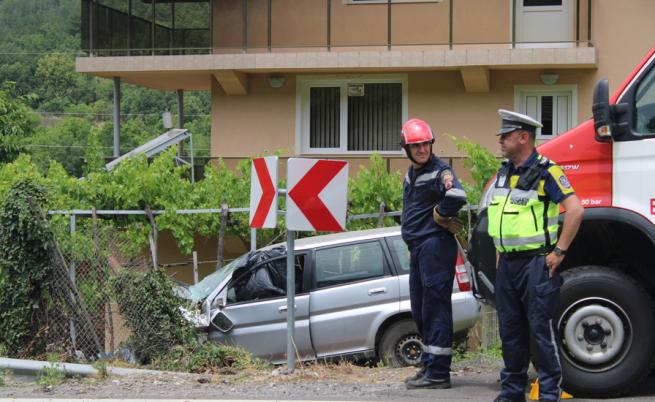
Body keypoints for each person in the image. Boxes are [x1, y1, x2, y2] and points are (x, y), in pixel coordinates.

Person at [487, 110, 584, 402]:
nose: (501, 140)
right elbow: (500, 220)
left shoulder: (546, 171)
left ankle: (549, 393)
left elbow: (576, 209)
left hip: (535, 264)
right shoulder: (504, 173)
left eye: (506, 135)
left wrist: (559, 251)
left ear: (523, 137)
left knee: (541, 332)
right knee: (510, 332)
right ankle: (512, 392)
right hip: (507, 265)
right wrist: (499, 255)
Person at [400, 118, 468, 389]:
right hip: (419, 249)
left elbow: (457, 196)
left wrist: (440, 215)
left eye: (426, 144)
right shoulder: (410, 174)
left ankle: (439, 373)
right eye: (416, 146)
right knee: (421, 309)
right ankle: (429, 365)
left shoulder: (441, 171)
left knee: (436, 307)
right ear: (406, 148)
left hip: (435, 247)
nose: (422, 150)